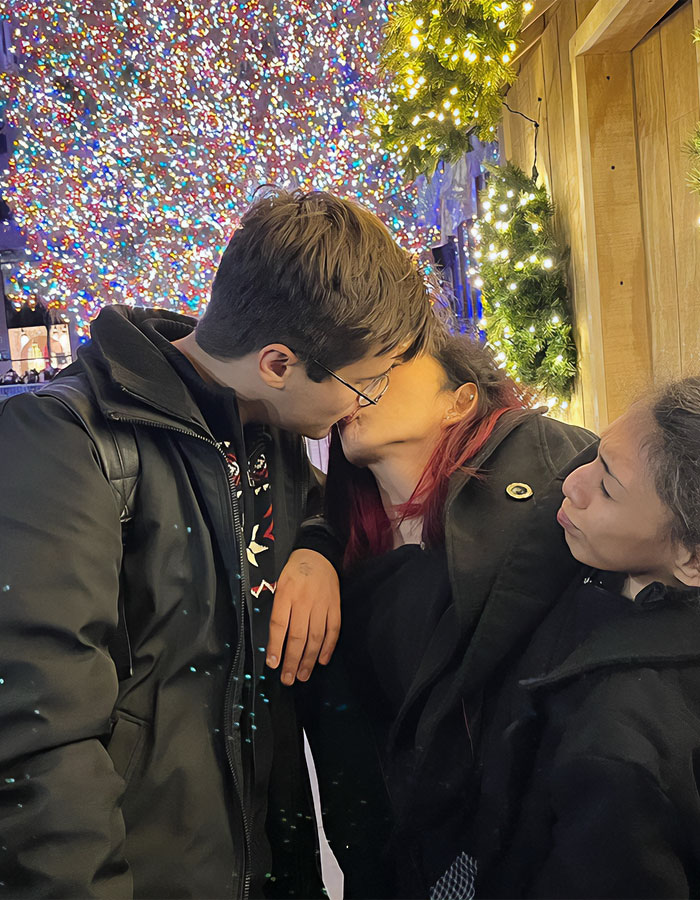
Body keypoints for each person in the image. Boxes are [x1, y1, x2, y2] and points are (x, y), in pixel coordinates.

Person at [0, 188, 434, 899]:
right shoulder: (63, 445)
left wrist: (317, 552)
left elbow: (313, 517)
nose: (367, 401)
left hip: (272, 864)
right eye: (365, 381)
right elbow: (36, 740)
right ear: (277, 362)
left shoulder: (267, 432)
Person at [299, 330, 595, 898]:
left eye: (386, 368)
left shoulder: (544, 457)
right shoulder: (338, 535)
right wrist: (314, 547)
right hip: (398, 855)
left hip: (524, 841)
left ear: (458, 400)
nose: (357, 384)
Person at [470, 377, 700, 898]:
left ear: (692, 557)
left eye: (609, 486)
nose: (572, 480)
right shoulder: (597, 565)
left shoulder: (619, 745)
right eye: (596, 453)